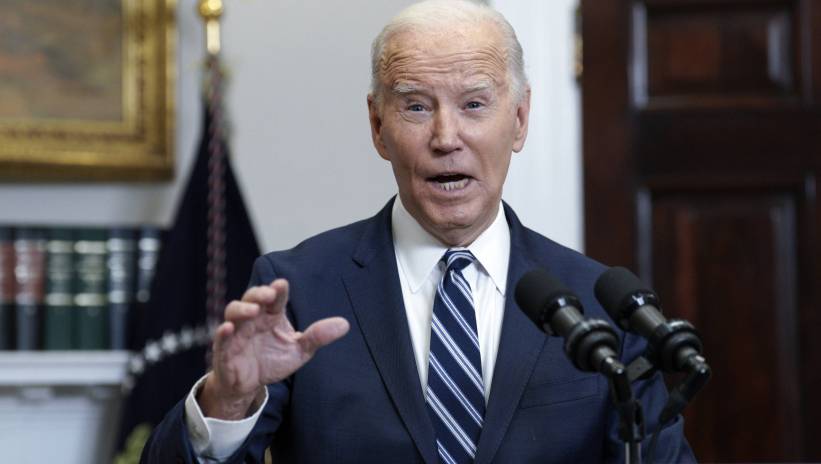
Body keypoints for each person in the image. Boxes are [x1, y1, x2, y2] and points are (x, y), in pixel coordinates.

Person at [141, 1, 696, 462]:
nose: (445, 136)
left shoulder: (598, 305)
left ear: (520, 120)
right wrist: (230, 402)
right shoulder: (300, 288)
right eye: (415, 107)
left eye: (474, 104)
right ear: (378, 126)